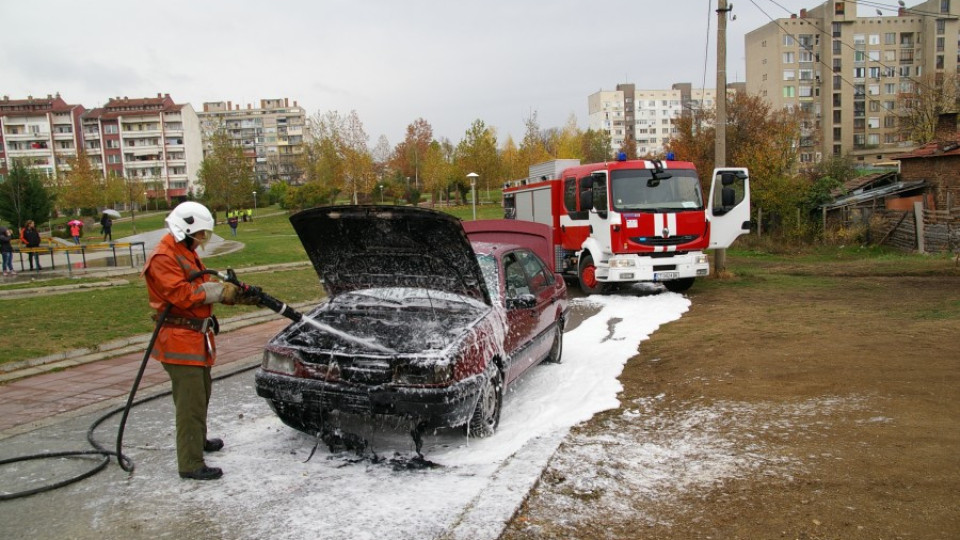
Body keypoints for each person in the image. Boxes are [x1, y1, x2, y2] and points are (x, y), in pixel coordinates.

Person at [141, 201, 260, 481]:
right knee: (190, 403)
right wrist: (220, 291)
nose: (203, 240)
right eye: (201, 234)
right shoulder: (163, 257)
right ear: (186, 229)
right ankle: (191, 462)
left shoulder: (184, 251)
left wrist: (237, 294)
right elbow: (183, 294)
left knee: (201, 393)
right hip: (179, 341)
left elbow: (202, 285)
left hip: (195, 338)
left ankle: (199, 440)